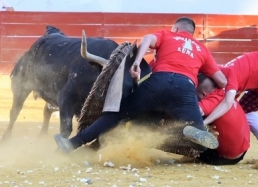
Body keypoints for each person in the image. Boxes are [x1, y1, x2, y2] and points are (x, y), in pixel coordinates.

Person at [54, 17, 227, 154]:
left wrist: (136, 62)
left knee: (115, 115)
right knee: (200, 141)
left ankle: (72, 144)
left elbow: (147, 39)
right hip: (184, 90)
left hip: (157, 83)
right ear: (192, 34)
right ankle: (182, 133)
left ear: (175, 28)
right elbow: (222, 81)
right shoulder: (202, 50)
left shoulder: (167, 35)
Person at [194, 76, 250, 165]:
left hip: (226, 157)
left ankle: (195, 151)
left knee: (188, 123)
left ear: (204, 94)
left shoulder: (212, 99)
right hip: (242, 149)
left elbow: (192, 111)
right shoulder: (224, 92)